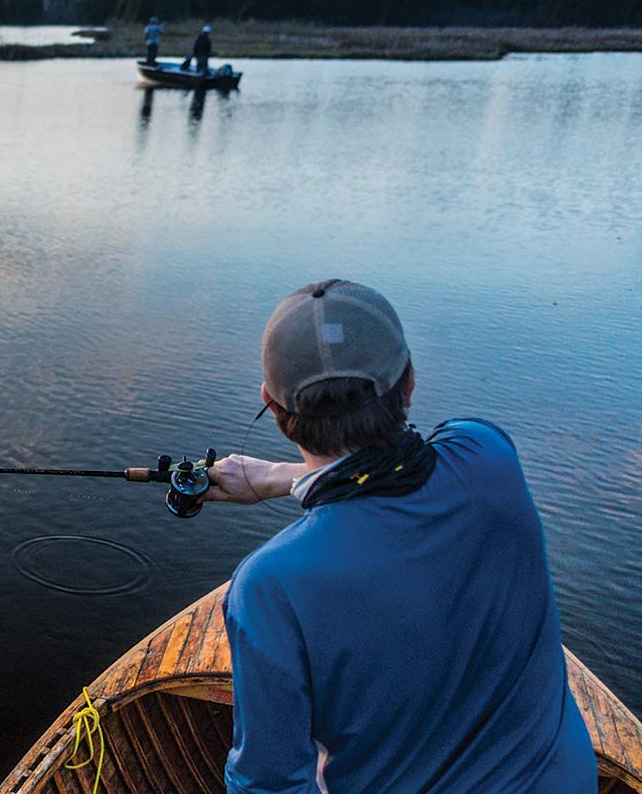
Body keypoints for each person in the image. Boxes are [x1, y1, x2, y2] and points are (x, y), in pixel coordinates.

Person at [203, 280, 596, 794]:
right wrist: (278, 479)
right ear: (409, 382)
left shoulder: (271, 586)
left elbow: (267, 785)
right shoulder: (489, 455)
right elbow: (400, 464)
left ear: (272, 409)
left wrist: (289, 476)